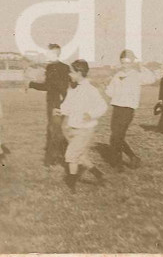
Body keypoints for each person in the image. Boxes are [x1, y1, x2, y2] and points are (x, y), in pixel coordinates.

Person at [57, 59, 107, 192]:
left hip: (85, 129)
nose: (69, 74)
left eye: (71, 72)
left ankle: (71, 184)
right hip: (74, 127)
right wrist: (60, 110)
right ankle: (99, 174)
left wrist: (91, 114)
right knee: (81, 157)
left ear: (79, 72)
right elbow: (67, 105)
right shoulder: (73, 89)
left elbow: (103, 106)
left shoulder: (90, 90)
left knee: (71, 155)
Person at [104, 49, 154, 171]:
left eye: (127, 63)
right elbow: (111, 92)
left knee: (117, 136)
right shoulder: (117, 75)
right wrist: (106, 87)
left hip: (128, 109)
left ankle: (119, 164)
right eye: (122, 63)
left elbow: (151, 79)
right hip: (116, 108)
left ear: (132, 62)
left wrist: (141, 66)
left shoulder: (136, 75)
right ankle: (131, 158)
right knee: (115, 137)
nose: (125, 65)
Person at [26, 43, 71, 166]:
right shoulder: (54, 67)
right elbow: (49, 86)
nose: (46, 54)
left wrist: (31, 84)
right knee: (54, 130)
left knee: (53, 130)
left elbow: (52, 86)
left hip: (58, 103)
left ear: (55, 53)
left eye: (49, 52)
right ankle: (64, 155)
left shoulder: (59, 67)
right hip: (53, 102)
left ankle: (52, 159)